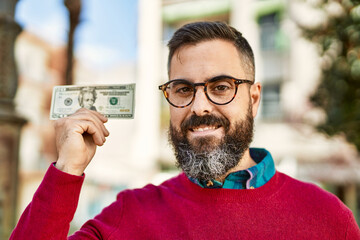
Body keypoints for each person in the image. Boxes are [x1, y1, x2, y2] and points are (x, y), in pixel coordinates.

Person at [10, 21, 360, 239]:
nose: (199, 106)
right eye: (182, 89)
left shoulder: (329, 219)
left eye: (221, 87)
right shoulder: (128, 215)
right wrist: (67, 170)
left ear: (254, 99)